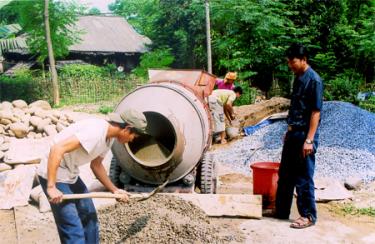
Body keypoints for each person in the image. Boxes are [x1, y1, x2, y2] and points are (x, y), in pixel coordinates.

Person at [37, 109, 148, 243]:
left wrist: (115, 190)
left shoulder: (109, 138)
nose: (131, 140)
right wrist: (51, 187)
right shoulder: (95, 132)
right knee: (73, 229)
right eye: (134, 136)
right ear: (127, 128)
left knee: (89, 219)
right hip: (54, 174)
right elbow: (57, 149)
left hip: (70, 174)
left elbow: (96, 165)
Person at [274, 43, 323, 229]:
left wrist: (309, 140)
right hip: (294, 133)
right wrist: (289, 131)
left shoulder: (314, 80)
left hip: (305, 136)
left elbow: (315, 113)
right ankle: (281, 210)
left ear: (303, 60)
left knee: (303, 177)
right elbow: (296, 108)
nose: (290, 65)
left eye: (292, 61)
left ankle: (308, 215)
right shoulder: (298, 77)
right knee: (285, 174)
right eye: (288, 62)